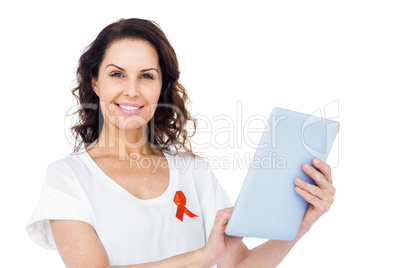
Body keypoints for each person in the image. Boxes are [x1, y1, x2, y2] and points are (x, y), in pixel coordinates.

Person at [26, 18, 336, 268]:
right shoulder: (67, 178)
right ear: (95, 82)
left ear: (161, 86)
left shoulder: (193, 172)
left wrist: (301, 226)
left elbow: (237, 266)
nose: (132, 91)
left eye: (146, 76)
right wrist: (202, 257)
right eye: (117, 74)